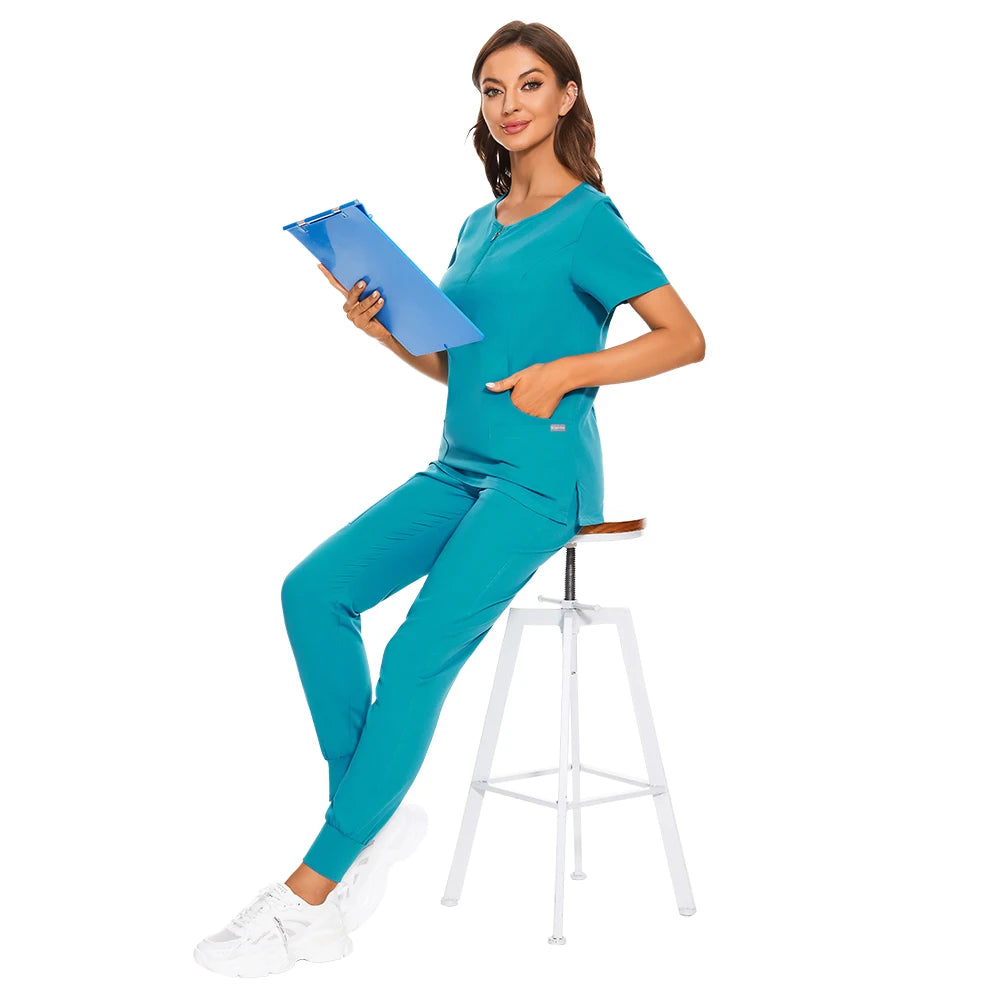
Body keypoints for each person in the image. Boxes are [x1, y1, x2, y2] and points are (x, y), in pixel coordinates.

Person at [193, 19, 705, 977]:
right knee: (313, 592)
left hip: (543, 475)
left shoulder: (589, 218)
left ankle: (313, 892)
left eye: (528, 85)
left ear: (566, 98)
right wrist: (381, 330)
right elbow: (459, 369)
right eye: (490, 89)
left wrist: (571, 371)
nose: (508, 105)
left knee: (418, 650)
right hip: (459, 462)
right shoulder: (478, 225)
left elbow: (684, 337)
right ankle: (369, 822)